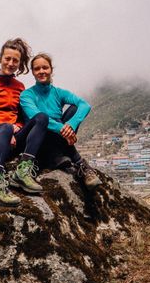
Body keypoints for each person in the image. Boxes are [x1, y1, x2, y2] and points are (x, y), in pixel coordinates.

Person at [0, 37, 49, 206]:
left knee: (41, 117)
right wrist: (4, 130)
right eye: (8, 58)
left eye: (15, 60)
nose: (11, 63)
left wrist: (16, 129)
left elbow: (20, 119)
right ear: (0, 59)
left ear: (20, 65)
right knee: (5, 127)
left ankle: (23, 172)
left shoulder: (19, 87)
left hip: (11, 138)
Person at [19, 53, 99, 188]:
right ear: (32, 72)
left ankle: (56, 157)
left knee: (74, 109)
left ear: (51, 69)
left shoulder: (59, 92)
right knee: (43, 119)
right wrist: (63, 130)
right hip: (39, 139)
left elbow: (85, 105)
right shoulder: (27, 95)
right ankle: (80, 164)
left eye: (45, 67)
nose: (41, 71)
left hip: (58, 137)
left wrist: (71, 125)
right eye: (37, 69)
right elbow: (36, 116)